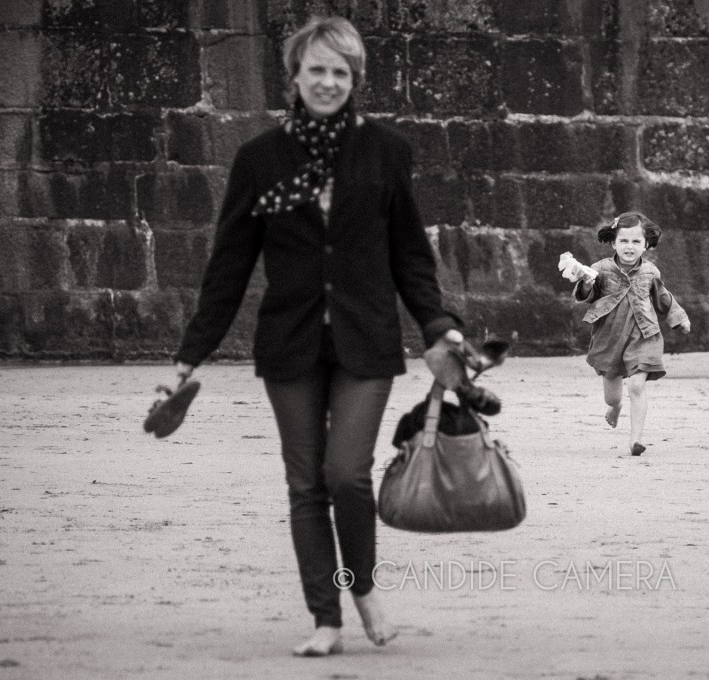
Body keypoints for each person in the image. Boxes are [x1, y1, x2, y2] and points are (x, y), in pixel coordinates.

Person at [170, 15, 462, 656]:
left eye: (340, 71)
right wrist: (191, 357)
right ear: (294, 76)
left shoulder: (386, 152)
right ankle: (325, 618)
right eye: (316, 69)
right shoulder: (259, 159)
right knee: (305, 485)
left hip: (365, 339)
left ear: (353, 78)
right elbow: (229, 265)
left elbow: (409, 253)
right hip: (290, 344)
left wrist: (439, 327)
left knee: (347, 476)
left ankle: (361, 588)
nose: (327, 81)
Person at [559, 211, 691, 456]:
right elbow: (585, 294)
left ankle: (635, 440)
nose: (630, 247)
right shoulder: (600, 269)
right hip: (610, 337)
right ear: (613, 243)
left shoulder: (651, 272)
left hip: (644, 334)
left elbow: (663, 297)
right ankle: (615, 407)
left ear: (646, 245)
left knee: (637, 386)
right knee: (612, 396)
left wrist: (678, 318)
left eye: (636, 242)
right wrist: (586, 281)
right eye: (624, 241)